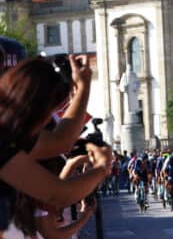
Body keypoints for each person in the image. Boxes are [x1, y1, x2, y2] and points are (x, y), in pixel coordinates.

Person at [0, 57, 112, 218]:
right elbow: (58, 194)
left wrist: (82, 87)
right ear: (36, 110)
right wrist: (102, 167)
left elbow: (60, 141)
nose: (49, 120)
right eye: (50, 113)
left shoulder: (10, 132)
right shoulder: (5, 140)